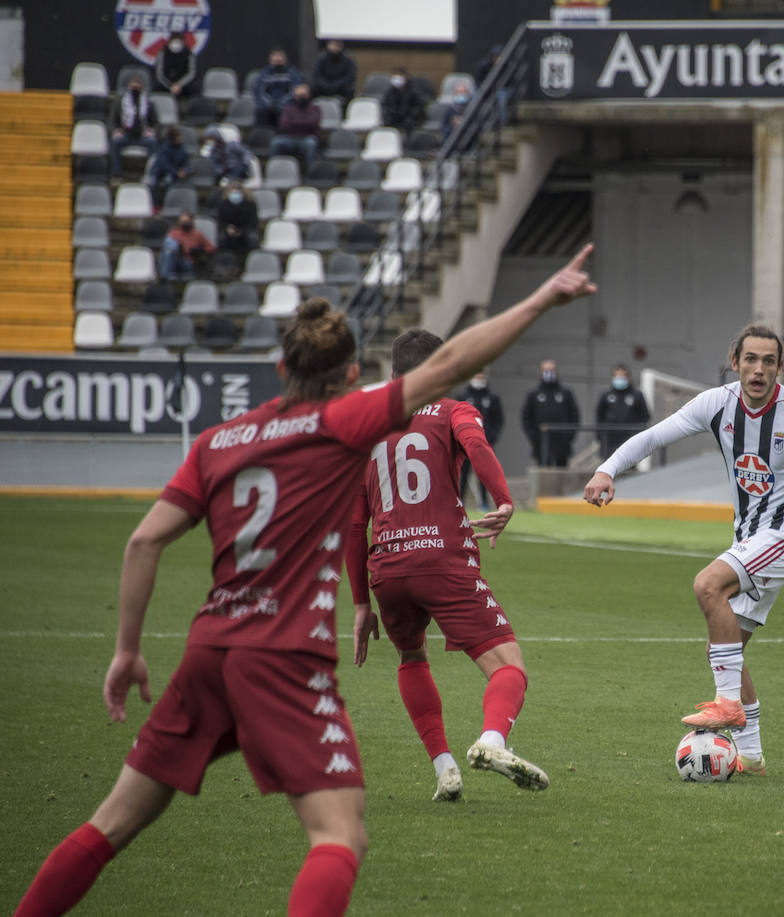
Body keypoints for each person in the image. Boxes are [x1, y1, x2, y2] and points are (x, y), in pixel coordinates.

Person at [10, 243, 597, 917]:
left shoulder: (217, 442)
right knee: (339, 833)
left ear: (280, 366)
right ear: (352, 373)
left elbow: (144, 540)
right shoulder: (342, 423)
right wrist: (542, 297)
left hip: (207, 650)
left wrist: (126, 649)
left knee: (110, 823)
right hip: (284, 654)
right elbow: (453, 364)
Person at [581, 325, 784, 776]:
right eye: (750, 359)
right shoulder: (717, 403)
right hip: (750, 538)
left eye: (768, 361)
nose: (758, 369)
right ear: (735, 361)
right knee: (727, 644)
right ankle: (750, 755)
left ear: (779, 366)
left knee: (708, 586)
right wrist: (606, 470)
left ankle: (728, 705)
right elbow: (654, 436)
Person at [345, 330, 548, 804]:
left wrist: (360, 604)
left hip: (387, 571)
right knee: (509, 665)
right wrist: (502, 499)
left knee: (412, 657)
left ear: (394, 376)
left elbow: (355, 525)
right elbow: (477, 446)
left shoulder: (365, 429)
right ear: (442, 369)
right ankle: (492, 741)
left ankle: (445, 768)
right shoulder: (455, 408)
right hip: (442, 560)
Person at [521, 359, 579, 467]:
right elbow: (526, 418)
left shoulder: (566, 393)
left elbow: (575, 416)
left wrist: (569, 436)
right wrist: (534, 437)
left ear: (556, 372)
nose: (549, 373)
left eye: (551, 370)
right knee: (544, 473)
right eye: (546, 370)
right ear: (541, 372)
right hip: (541, 443)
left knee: (561, 474)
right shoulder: (534, 394)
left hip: (562, 444)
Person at [459, 371, 504, 509]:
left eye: (481, 377)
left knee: (484, 474)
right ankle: (460, 502)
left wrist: (491, 438)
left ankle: (484, 502)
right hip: (465, 444)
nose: (479, 380)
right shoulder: (463, 396)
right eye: (476, 377)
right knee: (463, 474)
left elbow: (498, 421)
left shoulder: (492, 398)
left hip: (484, 444)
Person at [595, 365, 650, 459]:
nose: (620, 379)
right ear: (613, 378)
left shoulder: (637, 395)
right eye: (617, 376)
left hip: (630, 439)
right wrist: (600, 435)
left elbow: (645, 416)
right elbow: (599, 416)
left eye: (623, 377)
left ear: (628, 378)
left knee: (630, 467)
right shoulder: (606, 395)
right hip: (610, 439)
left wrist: (637, 434)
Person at [108, 75, 158, 174]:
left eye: (137, 85)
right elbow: (112, 121)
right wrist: (116, 130)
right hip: (126, 134)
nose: (135, 88)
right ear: (129, 86)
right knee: (115, 141)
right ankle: (116, 172)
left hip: (142, 135)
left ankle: (152, 172)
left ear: (142, 87)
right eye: (133, 85)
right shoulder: (120, 102)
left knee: (153, 142)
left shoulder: (149, 103)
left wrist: (152, 130)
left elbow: (155, 123)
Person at [271, 84, 321, 170]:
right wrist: (304, 123)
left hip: (307, 138)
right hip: (290, 138)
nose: (301, 98)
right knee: (276, 143)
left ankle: (311, 172)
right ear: (294, 96)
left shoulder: (315, 108)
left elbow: (313, 124)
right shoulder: (288, 109)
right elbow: (284, 125)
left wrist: (294, 122)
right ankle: (276, 170)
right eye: (298, 96)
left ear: (308, 95)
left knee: (311, 144)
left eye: (303, 95)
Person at [159, 210, 216, 281]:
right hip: (174, 259)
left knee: (170, 247)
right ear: (179, 222)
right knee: (168, 245)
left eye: (187, 221)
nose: (185, 223)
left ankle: (164, 276)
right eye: (183, 221)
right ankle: (164, 275)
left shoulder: (197, 234)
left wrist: (200, 250)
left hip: (187, 263)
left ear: (191, 222)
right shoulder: (174, 233)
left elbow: (212, 247)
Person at [254, 48, 305, 128]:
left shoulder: (293, 73)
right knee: (260, 111)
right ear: (270, 58)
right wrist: (269, 103)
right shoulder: (264, 73)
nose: (278, 58)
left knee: (286, 111)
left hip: (286, 105)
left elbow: (295, 91)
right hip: (267, 106)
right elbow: (259, 92)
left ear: (285, 58)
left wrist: (281, 103)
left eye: (280, 55)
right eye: (275, 55)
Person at [146, 127, 188, 208]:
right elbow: (164, 165)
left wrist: (184, 170)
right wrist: (176, 173)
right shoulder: (163, 148)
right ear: (173, 138)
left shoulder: (182, 148)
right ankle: (154, 206)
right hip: (158, 171)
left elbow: (185, 162)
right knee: (152, 183)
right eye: (179, 136)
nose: (181, 138)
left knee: (169, 181)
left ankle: (168, 205)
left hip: (172, 173)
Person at [216, 181, 259, 254]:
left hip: (246, 230)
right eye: (233, 192)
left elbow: (253, 223)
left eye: (238, 192)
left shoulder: (250, 205)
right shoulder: (223, 205)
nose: (235, 195)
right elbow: (221, 222)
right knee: (221, 238)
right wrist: (227, 228)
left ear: (243, 193)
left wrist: (241, 231)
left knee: (253, 238)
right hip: (229, 231)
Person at [381, 68, 427, 135]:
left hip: (409, 117)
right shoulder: (390, 92)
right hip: (394, 117)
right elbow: (386, 105)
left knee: (409, 123)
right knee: (387, 122)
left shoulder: (413, 91)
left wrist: (409, 115)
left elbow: (418, 108)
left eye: (399, 76)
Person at [154, 32, 197, 99]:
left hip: (183, 84)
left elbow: (191, 73)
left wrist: (179, 85)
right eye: (174, 42)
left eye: (179, 42)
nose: (176, 44)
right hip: (166, 84)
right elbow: (159, 73)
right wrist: (170, 86)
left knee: (195, 90)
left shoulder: (189, 53)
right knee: (156, 89)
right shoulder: (162, 52)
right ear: (169, 42)